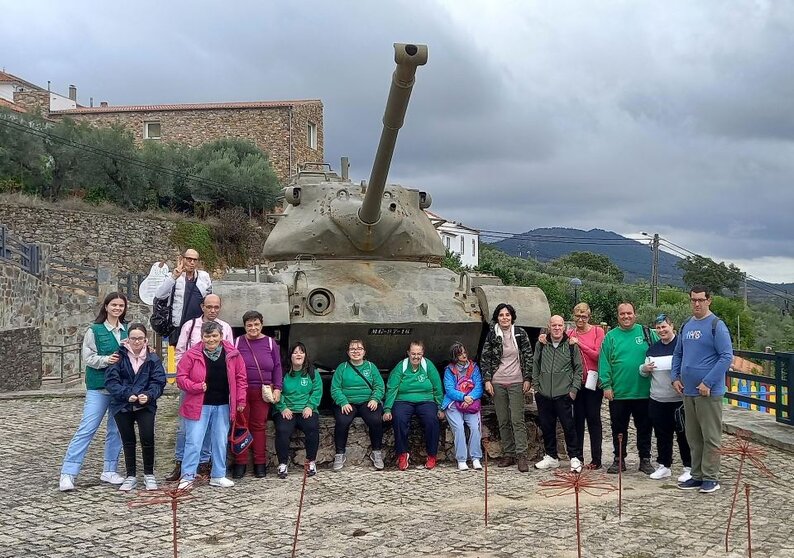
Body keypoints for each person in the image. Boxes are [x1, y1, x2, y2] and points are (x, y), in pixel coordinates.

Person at [59, 292, 129, 492]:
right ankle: (68, 472)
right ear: (106, 307)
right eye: (113, 305)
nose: (117, 308)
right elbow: (88, 358)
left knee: (115, 431)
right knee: (87, 428)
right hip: (99, 387)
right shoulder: (94, 330)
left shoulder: (126, 331)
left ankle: (109, 469)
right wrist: (106, 360)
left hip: (119, 389)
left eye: (120, 306)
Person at [166, 293, 234, 482]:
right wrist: (188, 376)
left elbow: (231, 356)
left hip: (219, 392)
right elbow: (180, 352)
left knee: (216, 432)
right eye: (209, 306)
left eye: (216, 307)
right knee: (186, 430)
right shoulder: (190, 326)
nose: (213, 310)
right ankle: (182, 467)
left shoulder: (226, 327)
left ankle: (206, 466)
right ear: (202, 306)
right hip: (193, 387)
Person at [672, 286, 733, 494]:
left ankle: (711, 477)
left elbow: (726, 356)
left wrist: (708, 382)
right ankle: (697, 475)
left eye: (700, 300)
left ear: (709, 300)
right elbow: (678, 354)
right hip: (688, 391)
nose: (696, 304)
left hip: (709, 392)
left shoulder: (717, 326)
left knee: (711, 436)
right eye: (693, 300)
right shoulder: (686, 325)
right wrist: (675, 377)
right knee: (694, 436)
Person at [176, 321, 246, 489]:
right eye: (207, 336)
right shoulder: (191, 355)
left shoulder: (232, 354)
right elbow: (181, 377)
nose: (211, 339)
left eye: (214, 336)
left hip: (223, 404)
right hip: (198, 404)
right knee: (194, 441)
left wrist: (241, 400)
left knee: (220, 441)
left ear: (221, 336)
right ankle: (187, 477)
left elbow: (241, 378)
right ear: (202, 337)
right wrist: (196, 387)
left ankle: (218, 475)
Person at [538, 303, 606, 469]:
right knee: (576, 421)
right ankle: (578, 457)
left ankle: (596, 459)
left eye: (584, 316)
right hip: (574, 384)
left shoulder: (598, 332)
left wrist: (579, 344)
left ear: (589, 317)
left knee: (594, 419)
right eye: (577, 316)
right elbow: (555, 340)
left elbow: (598, 355)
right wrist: (543, 338)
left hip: (593, 382)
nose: (580, 319)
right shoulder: (569, 333)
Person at [104, 323, 167, 491]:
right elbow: (111, 381)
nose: (136, 341)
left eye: (140, 338)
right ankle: (130, 475)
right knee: (128, 440)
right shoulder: (119, 357)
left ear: (145, 339)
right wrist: (126, 394)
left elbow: (159, 381)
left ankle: (149, 474)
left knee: (147, 438)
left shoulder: (153, 358)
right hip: (122, 404)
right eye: (133, 338)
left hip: (145, 404)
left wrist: (149, 395)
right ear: (128, 339)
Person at [598, 301, 657, 475]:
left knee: (645, 428)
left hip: (644, 392)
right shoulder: (611, 337)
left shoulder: (646, 333)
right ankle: (619, 459)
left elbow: (662, 350)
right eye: (622, 314)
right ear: (618, 316)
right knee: (618, 429)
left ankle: (645, 459)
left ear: (634, 314)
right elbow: (604, 362)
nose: (626, 316)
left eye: (629, 313)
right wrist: (606, 385)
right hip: (619, 393)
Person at [480, 303, 533, 472]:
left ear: (512, 317)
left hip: (517, 380)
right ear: (497, 317)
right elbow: (485, 358)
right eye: (501, 315)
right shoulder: (492, 335)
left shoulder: (520, 333)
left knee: (517, 419)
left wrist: (527, 378)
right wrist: (487, 379)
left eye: (507, 315)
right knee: (503, 420)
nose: (504, 318)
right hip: (498, 381)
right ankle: (508, 453)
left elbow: (528, 355)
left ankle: (521, 455)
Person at [231, 310, 283, 479]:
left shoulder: (270, 343)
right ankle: (240, 462)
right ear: (245, 326)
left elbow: (277, 366)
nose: (253, 328)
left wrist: (278, 388)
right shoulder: (238, 342)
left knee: (259, 427)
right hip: (242, 391)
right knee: (241, 425)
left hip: (263, 391)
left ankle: (260, 463)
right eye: (249, 325)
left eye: (256, 324)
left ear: (262, 324)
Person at [640, 314, 691, 482]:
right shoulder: (653, 349)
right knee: (662, 435)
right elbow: (644, 372)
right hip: (657, 399)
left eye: (664, 327)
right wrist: (644, 368)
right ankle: (664, 466)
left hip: (678, 400)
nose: (662, 330)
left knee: (683, 435)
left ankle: (688, 467)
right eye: (659, 328)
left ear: (672, 327)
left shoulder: (682, 346)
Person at [383, 341, 445, 471]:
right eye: (413, 353)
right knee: (399, 419)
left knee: (432, 420)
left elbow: (437, 387)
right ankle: (402, 454)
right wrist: (387, 408)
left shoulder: (428, 366)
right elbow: (392, 387)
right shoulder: (401, 366)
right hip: (403, 400)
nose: (416, 356)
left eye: (419, 354)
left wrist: (440, 407)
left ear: (423, 353)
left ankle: (432, 455)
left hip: (426, 400)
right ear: (408, 353)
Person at [533, 315, 583, 472]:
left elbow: (578, 369)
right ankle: (551, 456)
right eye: (553, 325)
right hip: (544, 394)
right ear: (549, 326)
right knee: (547, 427)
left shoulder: (570, 345)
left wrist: (573, 391)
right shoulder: (541, 344)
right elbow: (535, 365)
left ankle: (575, 457)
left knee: (569, 427)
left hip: (564, 394)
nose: (556, 328)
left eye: (559, 325)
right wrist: (537, 387)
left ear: (564, 327)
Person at [330, 339, 385, 471]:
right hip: (347, 402)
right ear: (348, 352)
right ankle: (340, 453)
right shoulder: (342, 368)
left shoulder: (371, 367)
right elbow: (335, 388)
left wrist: (375, 399)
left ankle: (376, 452)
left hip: (367, 401)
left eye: (359, 348)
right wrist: (343, 402)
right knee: (343, 421)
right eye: (352, 349)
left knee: (376, 420)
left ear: (364, 352)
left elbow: (379, 386)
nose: (356, 351)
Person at [274, 342, 323, 479]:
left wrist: (310, 406)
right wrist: (282, 407)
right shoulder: (282, 372)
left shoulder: (311, 372)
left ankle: (311, 462)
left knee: (312, 427)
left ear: (305, 355)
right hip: (286, 409)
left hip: (305, 409)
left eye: (301, 352)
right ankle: (283, 464)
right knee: (283, 430)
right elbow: (277, 391)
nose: (298, 354)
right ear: (290, 356)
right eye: (295, 352)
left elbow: (317, 391)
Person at [154, 248, 212, 346]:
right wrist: (174, 277)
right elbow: (160, 295)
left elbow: (209, 298)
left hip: (197, 328)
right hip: (177, 327)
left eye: (195, 260)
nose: (192, 262)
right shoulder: (172, 276)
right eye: (189, 259)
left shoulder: (204, 277)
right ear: (182, 259)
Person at [441, 341, 484, 471]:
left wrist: (470, 398)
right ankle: (461, 459)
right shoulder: (449, 370)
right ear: (455, 356)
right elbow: (449, 389)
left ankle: (475, 457)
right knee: (459, 428)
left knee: (475, 428)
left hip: (470, 403)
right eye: (460, 353)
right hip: (454, 404)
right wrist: (463, 397)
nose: (464, 355)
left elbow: (479, 386)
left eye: (464, 352)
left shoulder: (474, 367)